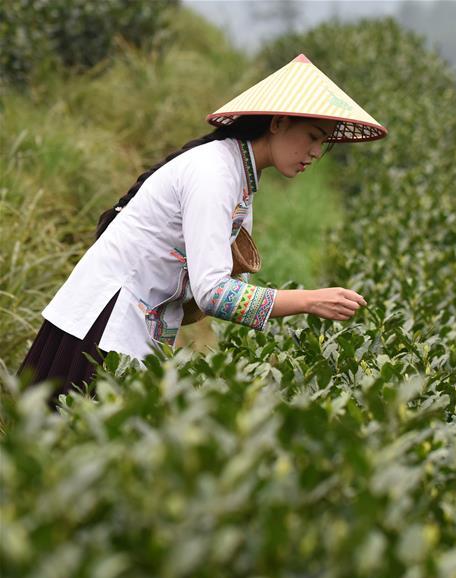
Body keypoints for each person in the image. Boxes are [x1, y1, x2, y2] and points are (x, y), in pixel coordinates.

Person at [18, 53, 387, 399]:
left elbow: (223, 285)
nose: (314, 154)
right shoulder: (215, 173)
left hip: (130, 322)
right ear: (278, 123)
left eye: (322, 145)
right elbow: (213, 293)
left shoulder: (240, 175)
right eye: (311, 137)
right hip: (103, 321)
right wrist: (308, 300)